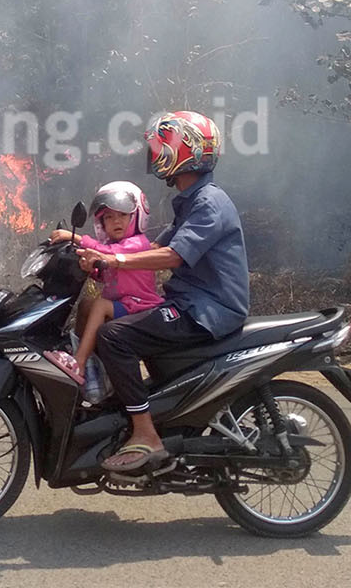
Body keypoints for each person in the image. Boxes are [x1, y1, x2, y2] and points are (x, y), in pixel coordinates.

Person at [77, 110, 250, 474]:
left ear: (182, 150)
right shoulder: (191, 202)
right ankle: (139, 409)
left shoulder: (209, 203)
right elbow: (152, 247)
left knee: (115, 336)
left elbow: (171, 256)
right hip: (190, 304)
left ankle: (146, 434)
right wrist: (93, 252)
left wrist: (115, 261)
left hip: (206, 310)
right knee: (112, 315)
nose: (154, 155)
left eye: (159, 147)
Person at [41, 181, 163, 387]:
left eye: (123, 215)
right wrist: (91, 269)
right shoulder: (113, 246)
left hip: (140, 306)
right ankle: (81, 352)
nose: (116, 221)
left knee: (99, 305)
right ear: (102, 223)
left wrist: (76, 239)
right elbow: (108, 272)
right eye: (109, 217)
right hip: (124, 304)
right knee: (87, 303)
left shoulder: (137, 243)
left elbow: (111, 255)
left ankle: (78, 363)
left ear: (136, 217)